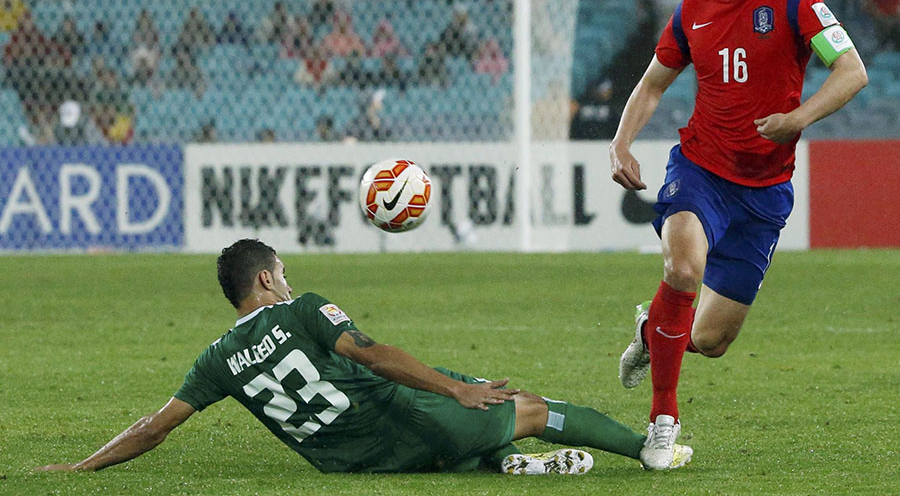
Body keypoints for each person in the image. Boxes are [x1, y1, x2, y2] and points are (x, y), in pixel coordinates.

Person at [37, 239, 692, 475]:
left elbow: (154, 426)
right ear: (265, 280)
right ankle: (645, 449)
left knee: (464, 383)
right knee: (528, 404)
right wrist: (455, 392)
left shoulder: (216, 360)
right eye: (282, 272)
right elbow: (374, 355)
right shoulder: (301, 309)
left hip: (348, 460)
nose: (288, 280)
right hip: (404, 423)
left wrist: (81, 462)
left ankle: (500, 462)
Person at [608, 0, 868, 470]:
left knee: (709, 341)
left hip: (764, 193)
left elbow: (852, 72)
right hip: (699, 169)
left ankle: (654, 332)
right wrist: (621, 142)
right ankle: (662, 428)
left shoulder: (799, 3)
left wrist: (798, 118)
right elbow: (652, 84)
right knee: (681, 268)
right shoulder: (691, 12)